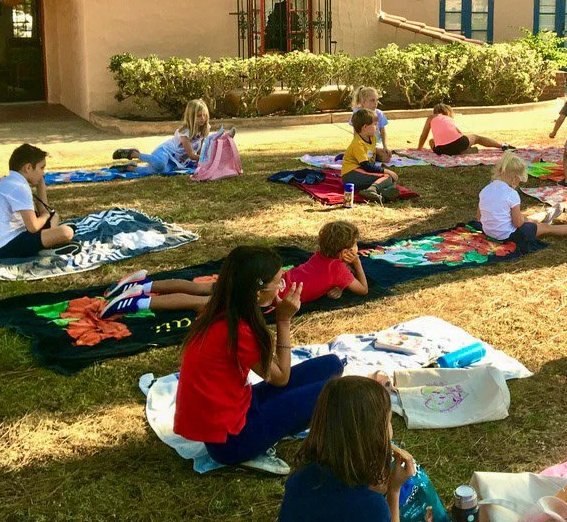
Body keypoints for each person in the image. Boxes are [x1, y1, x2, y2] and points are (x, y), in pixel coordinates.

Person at [173, 245, 344, 473]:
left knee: (331, 364)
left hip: (239, 406)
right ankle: (251, 451)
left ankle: (268, 432)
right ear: (257, 291)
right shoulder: (235, 330)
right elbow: (281, 378)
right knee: (332, 392)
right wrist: (283, 321)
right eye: (278, 282)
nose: (282, 287)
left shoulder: (225, 309)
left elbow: (270, 369)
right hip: (231, 441)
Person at [101, 221, 370, 319]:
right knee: (202, 303)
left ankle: (141, 285)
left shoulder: (320, 256)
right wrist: (356, 263)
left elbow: (320, 276)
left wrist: (335, 284)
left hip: (265, 277)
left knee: (200, 287)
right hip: (267, 295)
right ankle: (135, 303)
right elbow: (363, 290)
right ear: (345, 250)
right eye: (355, 245)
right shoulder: (342, 271)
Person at [278, 376, 417, 522]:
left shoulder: (299, 478)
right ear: (372, 436)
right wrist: (394, 491)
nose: (390, 429)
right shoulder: (372, 508)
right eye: (387, 422)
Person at [478, 152, 567, 250]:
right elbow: (518, 224)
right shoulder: (511, 194)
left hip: (489, 233)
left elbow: (479, 217)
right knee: (545, 228)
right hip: (509, 237)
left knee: (524, 218)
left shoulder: (485, 189)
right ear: (515, 179)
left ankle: (547, 214)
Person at [0, 144, 77, 258]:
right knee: (66, 232)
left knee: (54, 217)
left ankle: (50, 240)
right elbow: (33, 227)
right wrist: (45, 216)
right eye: (41, 168)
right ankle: (48, 247)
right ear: (28, 168)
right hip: (4, 246)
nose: (43, 173)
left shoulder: (10, 181)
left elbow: (42, 211)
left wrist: (40, 185)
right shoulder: (18, 187)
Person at [112, 99, 216, 173]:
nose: (202, 118)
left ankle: (130, 168)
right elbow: (192, 155)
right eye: (198, 116)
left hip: (177, 160)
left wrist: (204, 159)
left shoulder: (205, 129)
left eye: (204, 115)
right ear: (191, 117)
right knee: (160, 163)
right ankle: (134, 154)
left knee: (162, 171)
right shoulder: (185, 133)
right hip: (166, 151)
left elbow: (200, 152)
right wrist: (208, 159)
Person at [342, 109, 400, 203]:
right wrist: (387, 170)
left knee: (391, 180)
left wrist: (381, 155)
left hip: (361, 172)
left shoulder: (372, 138)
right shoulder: (358, 143)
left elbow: (370, 155)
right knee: (387, 177)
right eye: (375, 124)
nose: (377, 128)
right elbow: (366, 165)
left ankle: (383, 193)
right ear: (365, 127)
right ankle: (371, 190)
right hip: (351, 174)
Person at [416, 103, 514, 156]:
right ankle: (502, 146)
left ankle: (461, 151)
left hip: (441, 150)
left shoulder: (431, 118)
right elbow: (459, 134)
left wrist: (419, 148)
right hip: (458, 144)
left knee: (431, 141)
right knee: (476, 137)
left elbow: (424, 135)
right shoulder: (449, 119)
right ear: (448, 111)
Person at [350, 87, 391, 162]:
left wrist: (385, 147)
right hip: (362, 144)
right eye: (372, 100)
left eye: (377, 100)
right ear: (363, 102)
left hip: (376, 144)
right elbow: (356, 133)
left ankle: (372, 155)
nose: (375, 103)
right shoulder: (357, 114)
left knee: (387, 157)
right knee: (364, 157)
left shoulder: (379, 113)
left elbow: (383, 132)